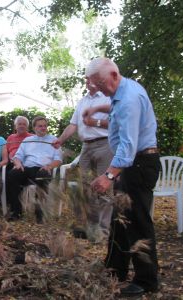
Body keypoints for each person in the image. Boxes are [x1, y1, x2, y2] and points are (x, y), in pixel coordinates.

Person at [83, 57, 160, 297]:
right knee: (119, 220)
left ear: (113, 76)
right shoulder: (122, 91)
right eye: (94, 85)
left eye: (99, 84)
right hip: (132, 165)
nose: (97, 89)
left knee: (137, 223)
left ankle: (147, 280)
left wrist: (108, 175)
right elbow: (115, 116)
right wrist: (96, 109)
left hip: (139, 165)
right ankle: (115, 269)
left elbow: (128, 146)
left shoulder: (128, 99)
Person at [52, 79, 113, 242]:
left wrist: (95, 122)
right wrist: (60, 139)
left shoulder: (108, 98)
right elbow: (73, 125)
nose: (88, 82)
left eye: (92, 79)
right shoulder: (83, 101)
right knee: (86, 189)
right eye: (86, 79)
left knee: (104, 187)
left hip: (105, 144)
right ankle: (91, 228)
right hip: (86, 147)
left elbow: (116, 123)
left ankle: (103, 231)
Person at [6, 116, 62, 223]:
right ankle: (16, 211)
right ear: (34, 128)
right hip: (27, 168)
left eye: (45, 126)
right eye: (40, 126)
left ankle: (39, 213)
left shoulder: (54, 141)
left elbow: (58, 159)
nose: (43, 128)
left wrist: (49, 166)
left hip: (43, 168)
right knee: (12, 175)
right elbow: (17, 156)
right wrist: (17, 164)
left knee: (42, 176)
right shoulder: (27, 141)